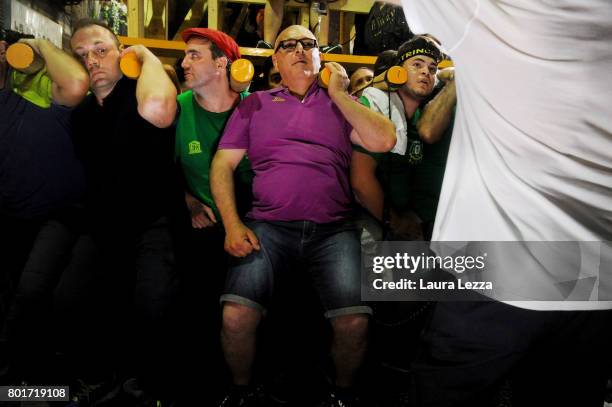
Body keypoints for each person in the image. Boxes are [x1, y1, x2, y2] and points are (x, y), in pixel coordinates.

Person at [386, 1, 612, 406]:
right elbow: (428, 130)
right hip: (596, 273)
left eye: (430, 66)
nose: (425, 72)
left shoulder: (493, 12)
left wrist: (474, 56)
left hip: (505, 263)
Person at [210, 24, 396, 407]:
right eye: (288, 45)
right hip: (269, 226)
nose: (299, 50)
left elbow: (385, 140)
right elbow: (221, 166)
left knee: (354, 322)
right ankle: (241, 392)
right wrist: (231, 223)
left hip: (333, 230)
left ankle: (341, 395)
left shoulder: (339, 104)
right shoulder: (253, 104)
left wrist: (341, 95)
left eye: (308, 44)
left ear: (320, 56)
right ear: (275, 59)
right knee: (235, 317)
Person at [69, 18, 181, 403]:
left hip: (153, 222)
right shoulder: (81, 115)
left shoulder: (142, 93)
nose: (92, 61)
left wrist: (145, 55)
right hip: (102, 226)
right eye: (81, 55)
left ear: (122, 52)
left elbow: (161, 111)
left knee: (151, 306)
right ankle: (105, 377)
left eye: (101, 50)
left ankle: (149, 385)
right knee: (76, 301)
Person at [0, 34, 89, 384]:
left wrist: (41, 44)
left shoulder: (37, 80)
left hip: (59, 211)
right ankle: (18, 380)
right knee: (13, 296)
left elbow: (77, 81)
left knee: (32, 291)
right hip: (11, 212)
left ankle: (25, 378)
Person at [174, 27, 253, 403]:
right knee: (196, 301)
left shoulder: (256, 107)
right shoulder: (179, 107)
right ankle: (206, 387)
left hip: (253, 223)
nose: (184, 62)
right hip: (203, 225)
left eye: (194, 55)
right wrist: (187, 199)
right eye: (185, 54)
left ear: (222, 64)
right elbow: (159, 169)